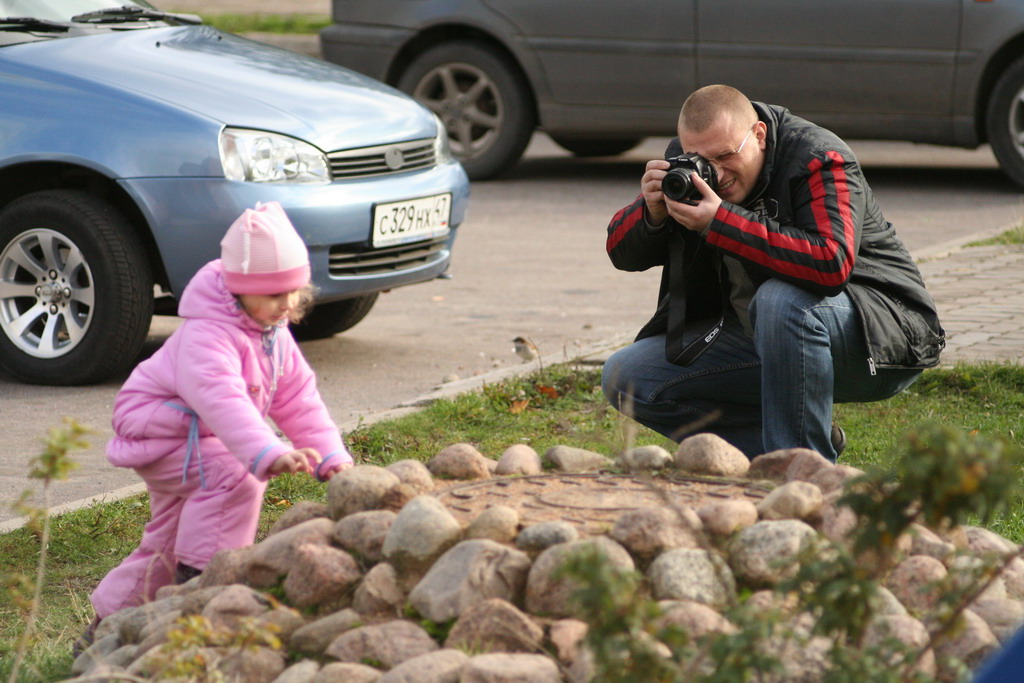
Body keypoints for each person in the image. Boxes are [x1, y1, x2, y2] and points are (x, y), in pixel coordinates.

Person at [602, 84, 944, 461]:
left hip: (879, 334)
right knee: (627, 376)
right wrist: (650, 214)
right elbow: (622, 254)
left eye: (726, 155)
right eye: (699, 158)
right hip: (763, 337)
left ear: (759, 135)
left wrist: (721, 222)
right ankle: (790, 452)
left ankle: (805, 477)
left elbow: (830, 263)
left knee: (780, 301)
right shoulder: (688, 166)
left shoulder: (819, 157)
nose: (715, 172)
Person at [81, 201, 354, 643]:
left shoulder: (272, 334)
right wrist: (270, 452)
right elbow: (224, 402)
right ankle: (205, 578)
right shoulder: (208, 335)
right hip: (159, 429)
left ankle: (103, 631)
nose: (286, 305)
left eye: (294, 293)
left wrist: (330, 457)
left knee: (164, 542)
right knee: (234, 474)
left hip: (200, 435)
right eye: (273, 294)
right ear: (237, 288)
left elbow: (299, 399)